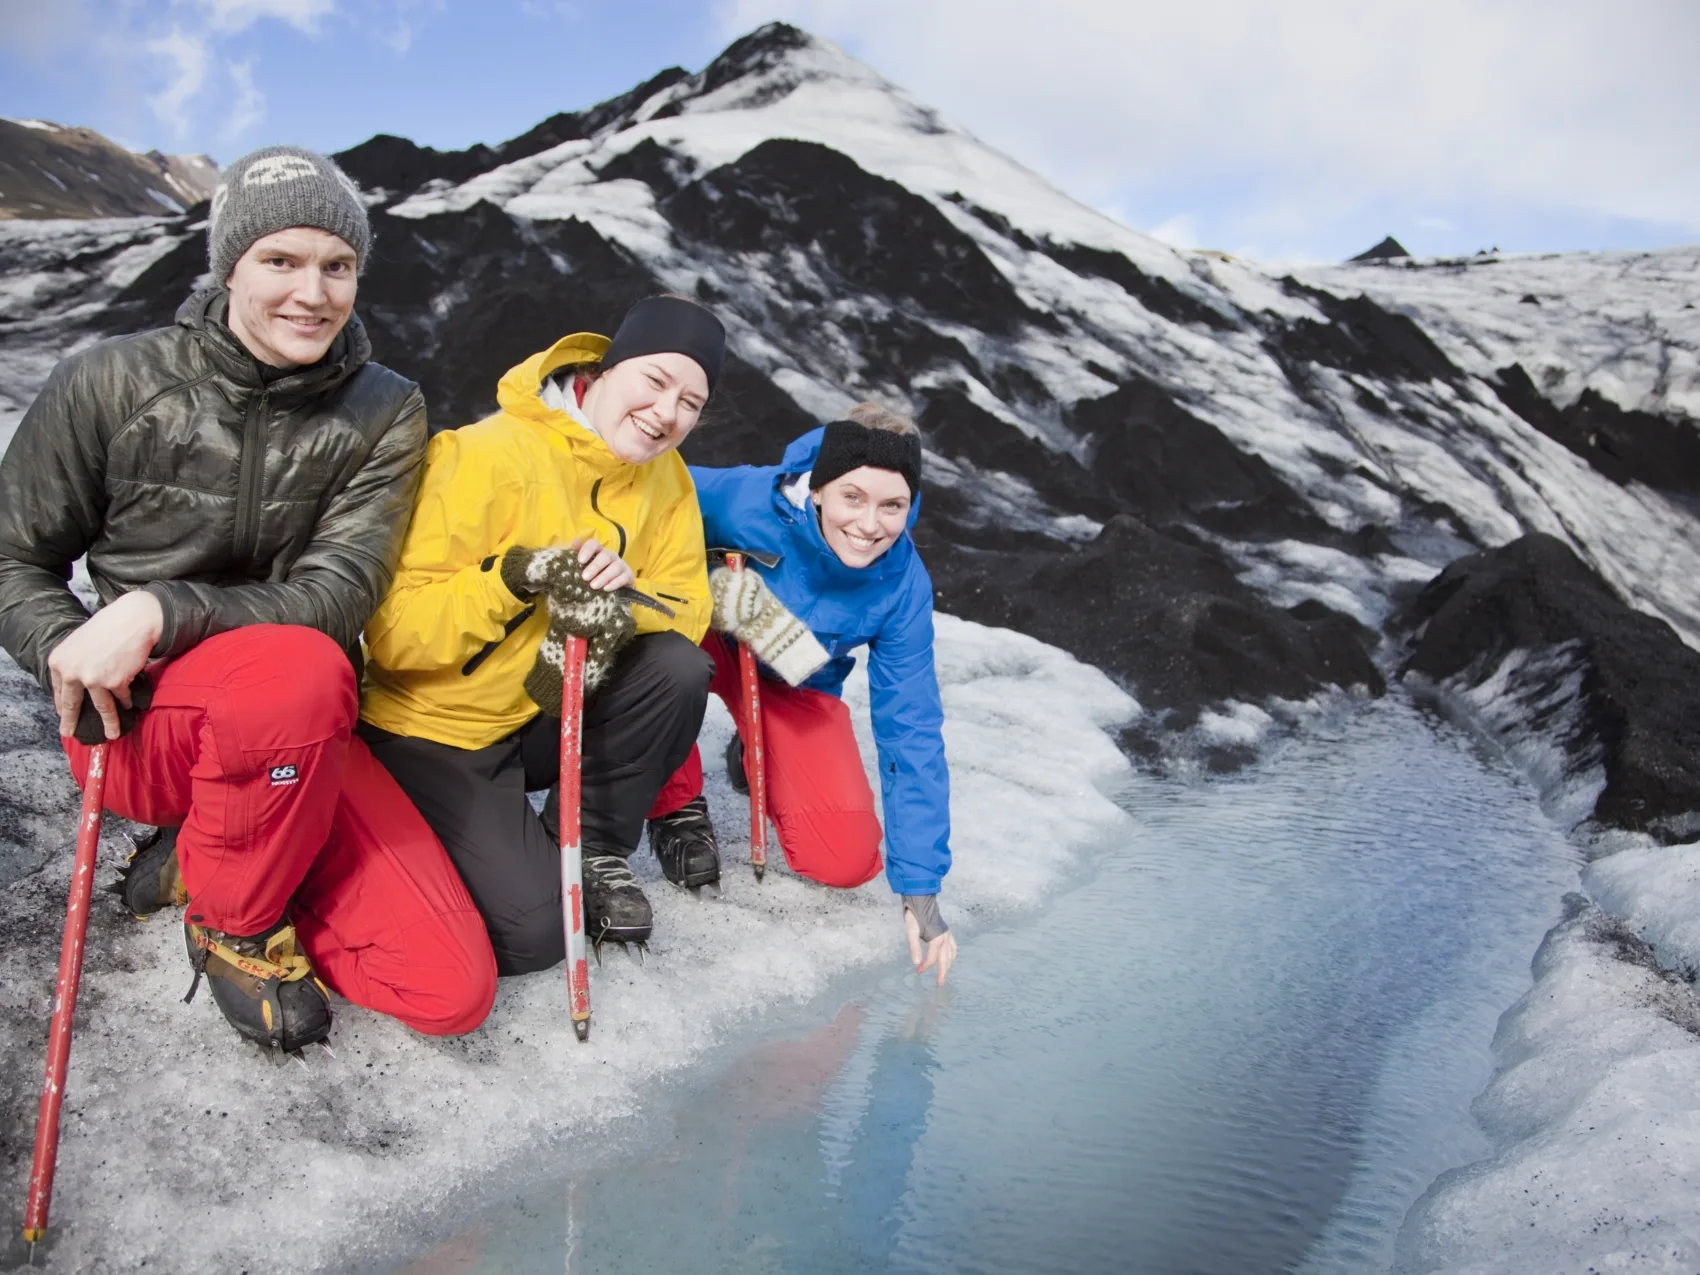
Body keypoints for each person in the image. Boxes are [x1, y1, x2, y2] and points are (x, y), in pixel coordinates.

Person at [0, 145, 498, 1054]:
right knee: (298, 673)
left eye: (337, 267)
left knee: (448, 988)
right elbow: (13, 559)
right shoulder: (109, 382)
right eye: (282, 260)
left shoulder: (384, 409)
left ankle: (206, 853)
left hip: (296, 728)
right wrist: (67, 655)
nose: (313, 292)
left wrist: (158, 607)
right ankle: (233, 918)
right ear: (229, 264)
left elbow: (336, 593)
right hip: (143, 725)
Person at [357, 296, 724, 973]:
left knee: (676, 668)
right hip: (436, 725)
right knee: (535, 937)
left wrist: (616, 602)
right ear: (607, 369)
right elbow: (394, 636)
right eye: (656, 380)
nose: (668, 412)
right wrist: (512, 580)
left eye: (692, 402)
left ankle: (590, 848)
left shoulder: (664, 477)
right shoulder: (485, 456)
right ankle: (386, 840)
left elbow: (687, 607)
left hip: (540, 698)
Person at [647, 404, 959, 984]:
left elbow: (910, 723)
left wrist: (920, 886)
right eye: (853, 498)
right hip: (699, 639)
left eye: (892, 505)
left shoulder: (903, 581)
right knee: (670, 661)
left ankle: (755, 750)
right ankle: (675, 802)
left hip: (794, 676)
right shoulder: (745, 500)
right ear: (818, 490)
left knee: (843, 860)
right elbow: (643, 486)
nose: (870, 525)